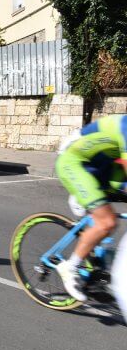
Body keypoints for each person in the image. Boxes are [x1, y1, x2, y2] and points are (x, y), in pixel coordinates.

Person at [55, 115, 127, 302]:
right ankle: (69, 267)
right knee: (107, 221)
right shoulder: (126, 127)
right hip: (75, 162)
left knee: (109, 224)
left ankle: (98, 272)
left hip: (102, 166)